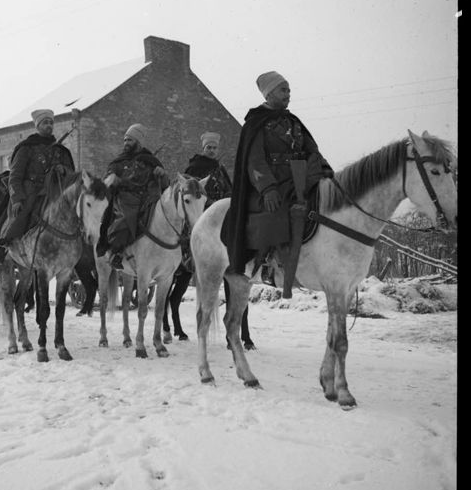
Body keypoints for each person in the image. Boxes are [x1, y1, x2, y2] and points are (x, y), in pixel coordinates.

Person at [221, 71, 334, 276]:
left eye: (289, 90)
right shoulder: (256, 123)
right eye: (283, 90)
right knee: (276, 210)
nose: (288, 94)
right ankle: (265, 260)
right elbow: (254, 160)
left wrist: (324, 169)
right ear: (269, 94)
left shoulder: (294, 122)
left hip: (300, 180)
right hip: (273, 184)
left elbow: (313, 151)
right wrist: (268, 188)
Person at [163, 132, 250, 343]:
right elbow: (189, 198)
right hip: (202, 223)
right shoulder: (194, 169)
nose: (211, 150)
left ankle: (242, 334)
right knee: (179, 272)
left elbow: (231, 193)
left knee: (238, 279)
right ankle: (166, 322)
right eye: (208, 147)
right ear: (203, 148)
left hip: (223, 223)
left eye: (214, 148)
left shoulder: (220, 170)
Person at [0, 108, 75, 246]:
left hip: (55, 191)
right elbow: (15, 176)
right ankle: (7, 244)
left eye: (51, 122)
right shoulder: (26, 148)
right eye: (45, 122)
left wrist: (63, 170)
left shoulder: (60, 150)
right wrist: (17, 199)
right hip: (31, 191)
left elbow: (71, 175)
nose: (49, 125)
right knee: (23, 213)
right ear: (38, 126)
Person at [98, 123, 167, 270]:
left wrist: (162, 174)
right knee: (124, 218)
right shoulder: (118, 162)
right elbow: (107, 179)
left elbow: (165, 184)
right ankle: (117, 251)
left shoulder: (150, 161)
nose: (126, 143)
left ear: (138, 142)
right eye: (125, 140)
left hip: (149, 199)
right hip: (125, 199)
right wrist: (112, 179)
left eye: (129, 140)